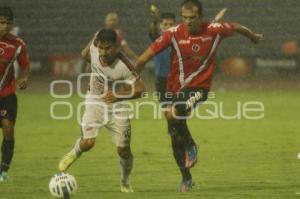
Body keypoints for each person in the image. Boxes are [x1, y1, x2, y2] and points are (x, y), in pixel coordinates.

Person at [135, 0, 263, 192]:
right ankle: (186, 178)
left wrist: (252, 37)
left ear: (200, 17)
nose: (188, 21)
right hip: (173, 89)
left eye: (192, 18)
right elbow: (144, 57)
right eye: (184, 17)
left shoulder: (213, 29)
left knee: (174, 113)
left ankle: (192, 145)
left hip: (199, 88)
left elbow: (236, 26)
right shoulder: (173, 33)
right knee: (174, 135)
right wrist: (135, 78)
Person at [58, 29, 145, 193]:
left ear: (117, 47)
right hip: (94, 102)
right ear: (97, 45)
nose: (103, 52)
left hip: (117, 107)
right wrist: (94, 38)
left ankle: (125, 181)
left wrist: (119, 95)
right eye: (101, 47)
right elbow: (84, 55)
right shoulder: (94, 49)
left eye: (108, 48)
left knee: (123, 150)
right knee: (88, 143)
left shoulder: (124, 65)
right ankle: (73, 153)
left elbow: (142, 89)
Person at [0, 7, 30, 182]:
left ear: (11, 24)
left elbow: (25, 65)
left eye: (7, 23)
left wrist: (24, 78)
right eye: (1, 23)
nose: (4, 26)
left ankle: (3, 171)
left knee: (8, 129)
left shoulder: (18, 44)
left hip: (7, 94)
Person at [149, 6, 175, 105]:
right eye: (165, 24)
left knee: (178, 109)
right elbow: (153, 32)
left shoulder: (179, 38)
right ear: (160, 26)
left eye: (171, 24)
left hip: (176, 78)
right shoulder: (157, 38)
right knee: (166, 108)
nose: (168, 27)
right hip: (161, 80)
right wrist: (154, 21)